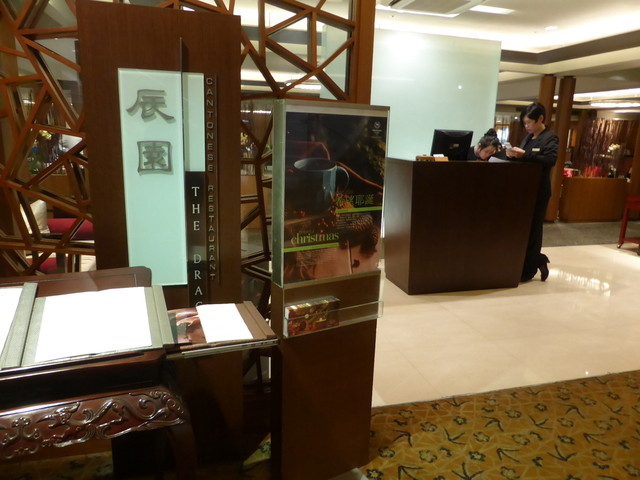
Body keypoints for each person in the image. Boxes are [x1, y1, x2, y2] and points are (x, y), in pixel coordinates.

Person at [505, 102, 559, 282]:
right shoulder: (528, 138)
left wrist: (524, 155)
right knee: (523, 229)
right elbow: (525, 162)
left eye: (529, 122)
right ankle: (532, 262)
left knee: (533, 230)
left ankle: (529, 269)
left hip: (539, 190)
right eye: (525, 123)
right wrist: (512, 156)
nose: (526, 126)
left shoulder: (550, 138)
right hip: (524, 190)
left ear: (540, 119)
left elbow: (550, 160)